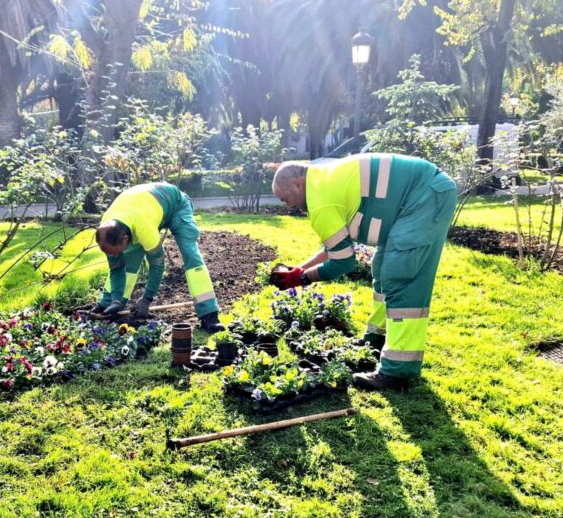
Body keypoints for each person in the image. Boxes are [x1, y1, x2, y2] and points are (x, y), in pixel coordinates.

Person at [270, 153, 457, 390]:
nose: (289, 207)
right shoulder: (321, 178)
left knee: (402, 275)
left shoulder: (320, 202)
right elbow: (335, 246)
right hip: (415, 197)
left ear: (297, 183)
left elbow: (343, 262)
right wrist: (300, 269)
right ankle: (375, 340)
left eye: (286, 199)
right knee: (382, 268)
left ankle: (397, 371)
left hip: (425, 196)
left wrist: (302, 278)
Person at [94, 182, 225, 333]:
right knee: (128, 261)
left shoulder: (143, 227)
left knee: (190, 254)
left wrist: (146, 299)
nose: (114, 256)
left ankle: (209, 314)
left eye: (115, 252)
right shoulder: (107, 230)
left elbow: (157, 265)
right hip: (143, 208)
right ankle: (108, 305)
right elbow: (116, 268)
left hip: (175, 205)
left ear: (125, 238)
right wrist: (116, 300)